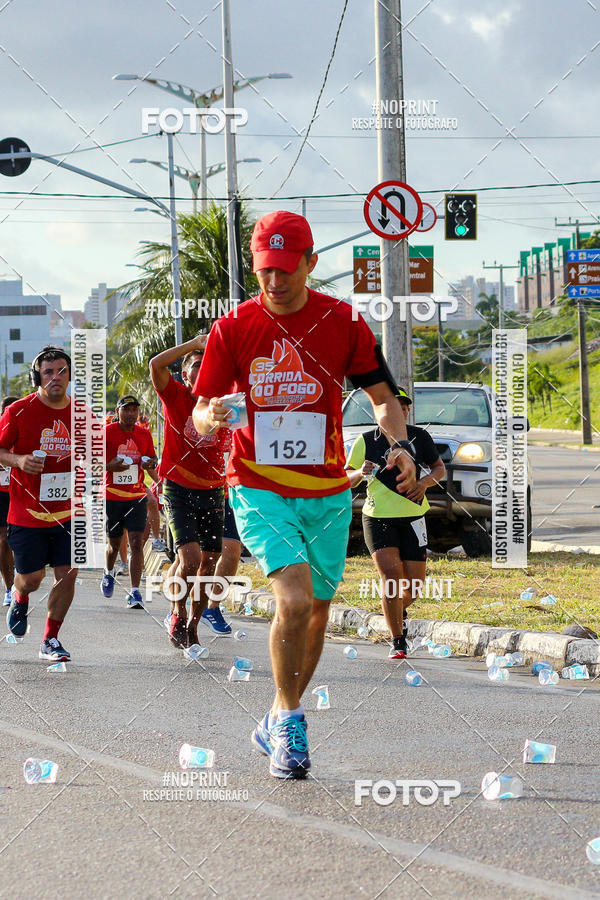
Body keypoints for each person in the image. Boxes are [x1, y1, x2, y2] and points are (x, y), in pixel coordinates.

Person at [192, 210, 416, 779]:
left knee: (317, 612)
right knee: (291, 600)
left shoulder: (343, 321)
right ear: (254, 266)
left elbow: (384, 398)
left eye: (288, 269)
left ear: (311, 264)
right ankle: (292, 719)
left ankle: (275, 714)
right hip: (257, 484)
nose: (276, 281)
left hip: (328, 491)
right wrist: (211, 414)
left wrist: (400, 444)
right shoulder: (231, 329)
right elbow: (198, 415)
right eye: (266, 270)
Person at [346, 388, 446, 659]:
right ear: (380, 413)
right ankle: (397, 640)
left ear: (407, 412)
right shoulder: (366, 440)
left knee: (414, 585)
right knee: (391, 578)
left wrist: (424, 484)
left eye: (402, 408)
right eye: (392, 407)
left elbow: (439, 469)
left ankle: (395, 611)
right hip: (378, 518)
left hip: (413, 517)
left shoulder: (419, 437)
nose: (398, 412)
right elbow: (345, 479)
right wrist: (360, 472)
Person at [149, 336, 231, 647]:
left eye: (207, 365)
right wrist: (195, 343)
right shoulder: (176, 395)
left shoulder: (225, 404)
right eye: (196, 366)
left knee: (209, 565)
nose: (203, 370)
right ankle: (176, 611)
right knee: (190, 557)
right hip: (178, 486)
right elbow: (156, 364)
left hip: (213, 489)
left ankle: (194, 625)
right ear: (186, 375)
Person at [0, 347, 77, 661]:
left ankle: (51, 638)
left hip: (69, 512)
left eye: (61, 371)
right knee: (32, 579)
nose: (55, 377)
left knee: (68, 573)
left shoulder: (83, 414)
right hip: (27, 512)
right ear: (38, 377)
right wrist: (18, 459)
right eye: (48, 372)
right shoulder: (18, 410)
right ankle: (19, 595)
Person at [102, 396, 157, 608]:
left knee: (136, 543)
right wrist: (109, 467)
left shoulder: (143, 434)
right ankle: (108, 572)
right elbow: (92, 462)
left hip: (136, 496)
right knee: (114, 544)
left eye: (134, 410)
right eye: (126, 410)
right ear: (118, 411)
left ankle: (135, 592)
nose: (131, 414)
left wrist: (153, 467)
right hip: (112, 496)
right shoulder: (107, 433)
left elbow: (151, 460)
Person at [0, 396, 18, 607]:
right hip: (1, 493)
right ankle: (8, 589)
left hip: (21, 493)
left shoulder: (26, 431)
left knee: (14, 541)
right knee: (4, 540)